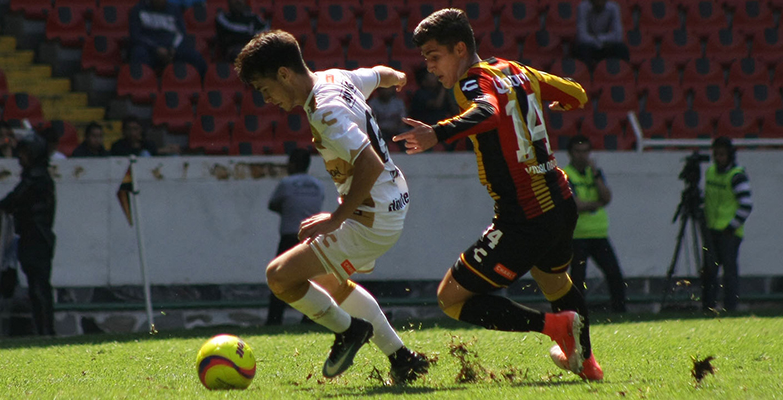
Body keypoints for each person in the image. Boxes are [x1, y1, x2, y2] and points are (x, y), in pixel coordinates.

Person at [394, 8, 602, 381]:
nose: (429, 67)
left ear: (460, 48)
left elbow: (488, 112)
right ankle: (586, 363)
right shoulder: (516, 69)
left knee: (451, 299)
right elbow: (577, 92)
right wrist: (565, 103)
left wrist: (436, 133)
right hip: (559, 200)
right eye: (425, 59)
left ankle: (555, 327)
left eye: (434, 56)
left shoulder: (470, 82)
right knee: (555, 281)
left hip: (524, 215)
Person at [235, 30, 430, 383]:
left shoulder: (326, 113)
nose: (267, 100)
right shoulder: (335, 78)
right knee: (329, 283)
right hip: (391, 200)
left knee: (279, 277)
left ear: (284, 74)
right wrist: (398, 78)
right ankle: (404, 359)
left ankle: (350, 332)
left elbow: (369, 163)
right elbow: (378, 73)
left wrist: (335, 219)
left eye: (266, 89)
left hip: (371, 217)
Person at [0, 133, 57, 336]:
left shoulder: (36, 179)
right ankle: (44, 330)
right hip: (35, 237)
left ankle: (46, 330)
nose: (19, 157)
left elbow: (14, 199)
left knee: (39, 287)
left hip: (36, 237)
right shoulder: (37, 177)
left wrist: (6, 205)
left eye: (23, 153)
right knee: (37, 286)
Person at [564, 135, 627, 313]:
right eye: (578, 151)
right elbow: (575, 205)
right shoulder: (566, 174)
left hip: (599, 233)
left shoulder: (595, 173)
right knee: (577, 278)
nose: (582, 156)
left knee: (614, 274)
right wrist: (596, 204)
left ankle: (620, 310)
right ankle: (577, 313)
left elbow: (606, 197)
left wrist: (596, 174)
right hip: (578, 235)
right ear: (570, 153)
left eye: (585, 151)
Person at [266, 148, 325, 325]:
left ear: (291, 164)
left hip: (290, 237)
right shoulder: (317, 184)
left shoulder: (286, 183)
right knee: (311, 280)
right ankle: (311, 318)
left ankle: (275, 319)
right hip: (311, 239)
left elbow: (273, 204)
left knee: (279, 278)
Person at [702, 137, 753, 312]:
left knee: (729, 273)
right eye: (716, 154)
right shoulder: (710, 172)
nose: (718, 158)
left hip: (729, 232)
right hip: (712, 229)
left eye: (722, 154)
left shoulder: (737, 176)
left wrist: (731, 226)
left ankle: (730, 307)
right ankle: (709, 306)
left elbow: (746, 205)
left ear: (730, 155)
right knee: (709, 272)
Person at [129, 0, 208, 77]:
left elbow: (181, 33)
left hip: (172, 49)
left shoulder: (174, 9)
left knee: (194, 56)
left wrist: (173, 48)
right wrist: (155, 48)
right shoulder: (138, 9)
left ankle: (203, 83)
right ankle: (143, 85)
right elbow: (136, 36)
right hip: (149, 49)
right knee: (138, 53)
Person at [574, 0, 630, 71]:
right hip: (589, 44)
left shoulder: (614, 7)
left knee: (622, 48)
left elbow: (618, 35)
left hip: (606, 44)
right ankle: (586, 75)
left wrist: (601, 39)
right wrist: (596, 41)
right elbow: (582, 36)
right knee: (581, 49)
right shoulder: (582, 7)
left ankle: (620, 74)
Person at [110, 116, 180, 156]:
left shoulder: (148, 143)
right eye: (129, 129)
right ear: (124, 131)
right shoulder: (117, 146)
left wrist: (169, 150)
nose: (132, 133)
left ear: (140, 130)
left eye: (135, 129)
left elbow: (154, 152)